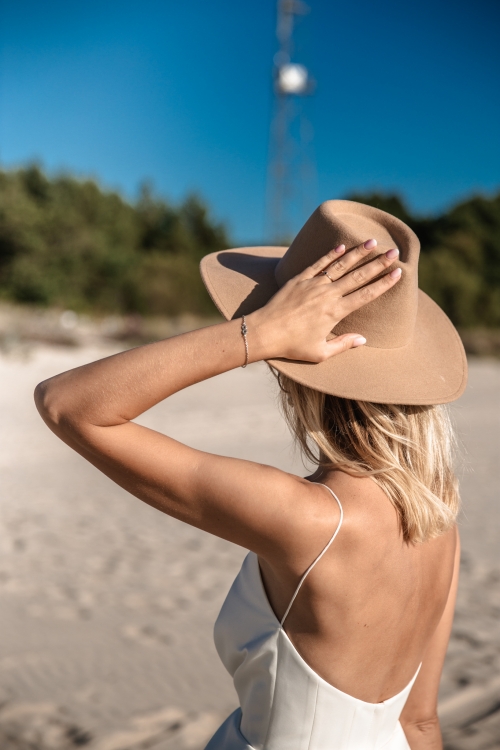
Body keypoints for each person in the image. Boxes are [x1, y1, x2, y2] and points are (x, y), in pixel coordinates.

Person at [35, 200, 467, 750]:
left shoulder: (312, 520)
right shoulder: (439, 524)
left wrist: (256, 332)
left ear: (294, 372)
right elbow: (420, 722)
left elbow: (66, 404)